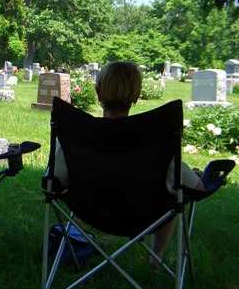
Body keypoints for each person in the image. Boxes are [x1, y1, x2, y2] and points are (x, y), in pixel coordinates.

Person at [54, 61, 204, 260]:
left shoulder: (76, 137)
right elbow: (198, 188)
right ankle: (156, 255)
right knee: (175, 193)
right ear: (136, 95)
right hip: (144, 217)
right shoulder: (155, 142)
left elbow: (54, 180)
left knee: (173, 188)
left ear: (98, 93)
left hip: (90, 211)